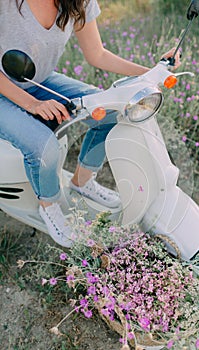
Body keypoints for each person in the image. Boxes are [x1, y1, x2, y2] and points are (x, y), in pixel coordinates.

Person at [0, 0, 181, 248]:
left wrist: (152, 73)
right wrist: (32, 104)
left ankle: (82, 182)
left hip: (39, 80)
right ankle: (49, 206)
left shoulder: (79, 2)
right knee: (44, 147)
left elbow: (97, 54)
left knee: (110, 113)